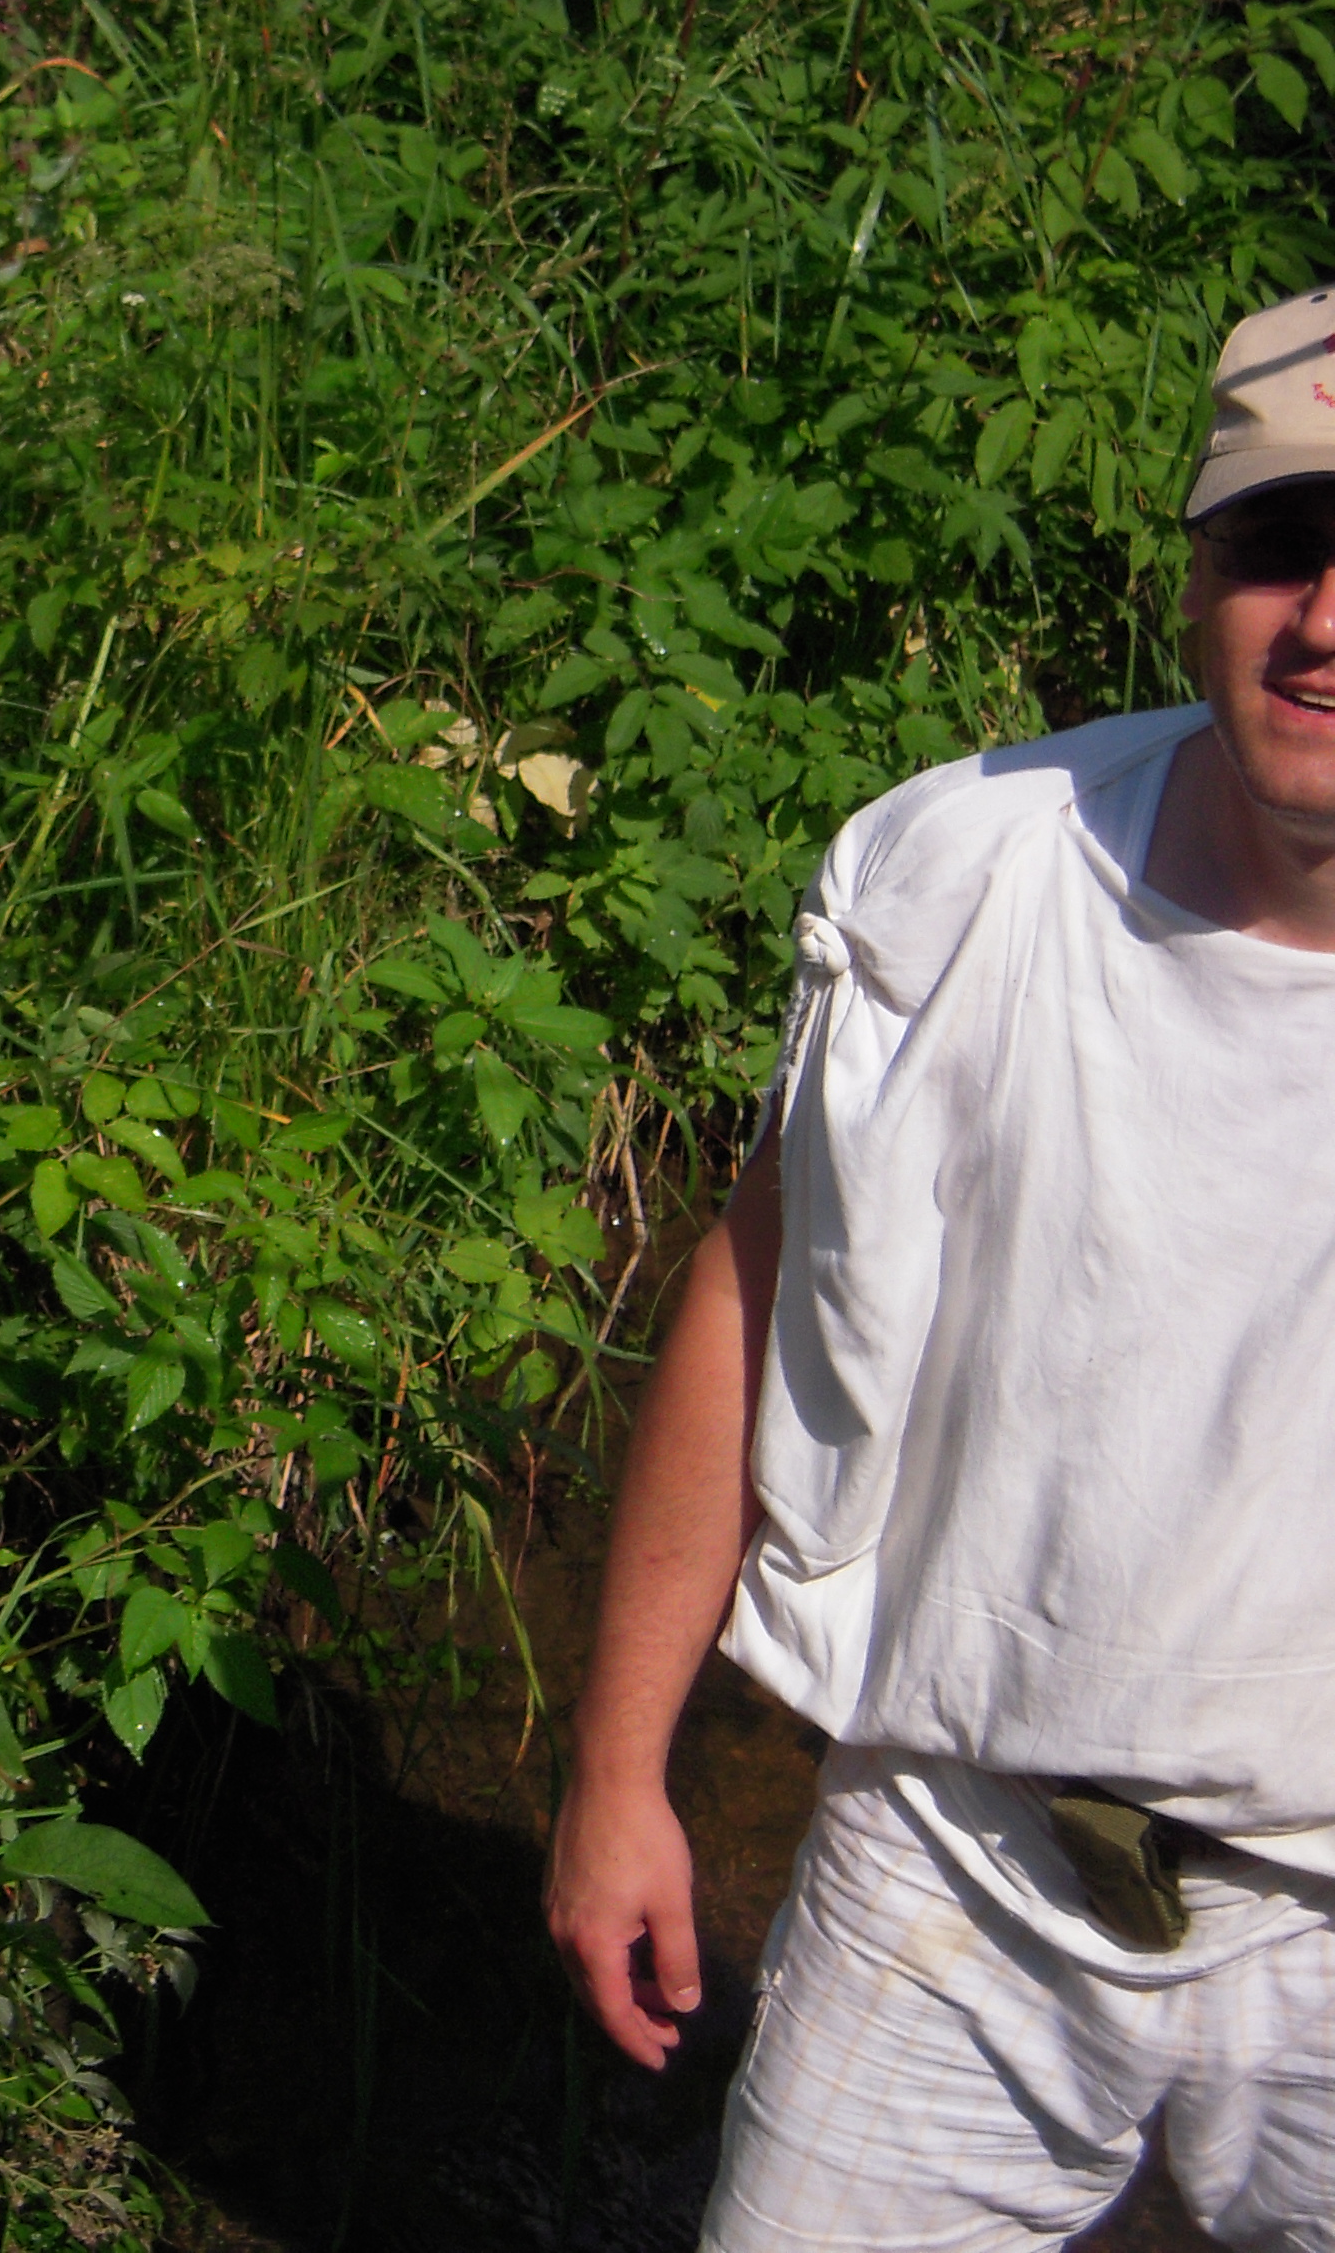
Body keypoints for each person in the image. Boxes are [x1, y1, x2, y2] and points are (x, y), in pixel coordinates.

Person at [546, 286, 1335, 2249]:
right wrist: (620, 1768)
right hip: (954, 1846)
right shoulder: (963, 877)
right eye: (1280, 547)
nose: (1327, 622)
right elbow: (758, 1290)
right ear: (1192, 576)